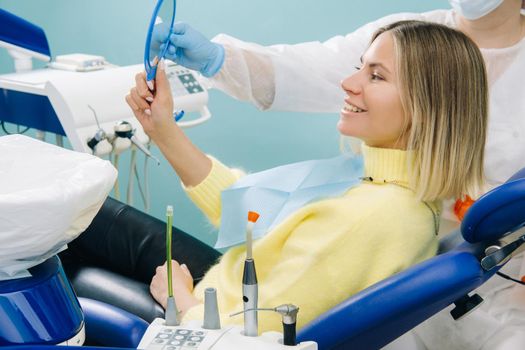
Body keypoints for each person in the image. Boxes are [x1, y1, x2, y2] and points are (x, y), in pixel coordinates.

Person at [153, 1, 525, 347]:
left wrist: (183, 303)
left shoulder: (374, 216)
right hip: (400, 254)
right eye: (358, 68)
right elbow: (255, 212)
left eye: (376, 76)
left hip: (215, 317)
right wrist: (217, 65)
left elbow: (250, 331)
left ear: (428, 108)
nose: (349, 84)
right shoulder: (412, 38)